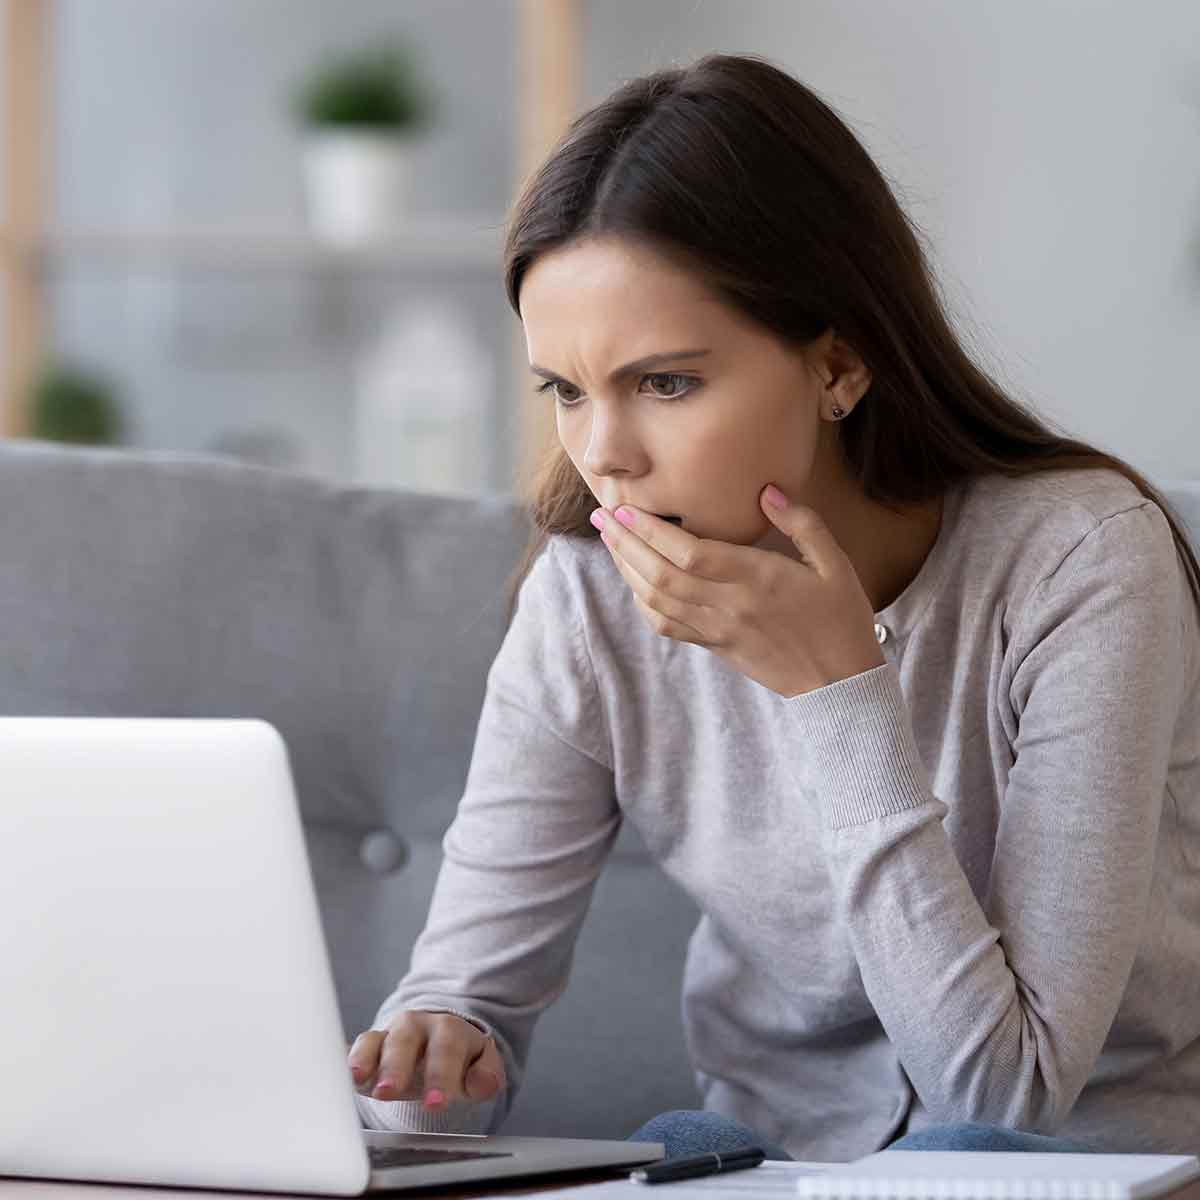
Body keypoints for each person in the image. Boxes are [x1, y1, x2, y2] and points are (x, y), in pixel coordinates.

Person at [344, 52, 1200, 1161]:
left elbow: (1003, 1095)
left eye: (665, 383)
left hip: (1077, 1160)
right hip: (765, 1162)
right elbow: (461, 1015)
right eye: (566, 390)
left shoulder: (1081, 562)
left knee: (956, 1155)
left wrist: (838, 693)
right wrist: (431, 1058)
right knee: (677, 1146)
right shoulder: (587, 595)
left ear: (839, 366)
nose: (605, 456)